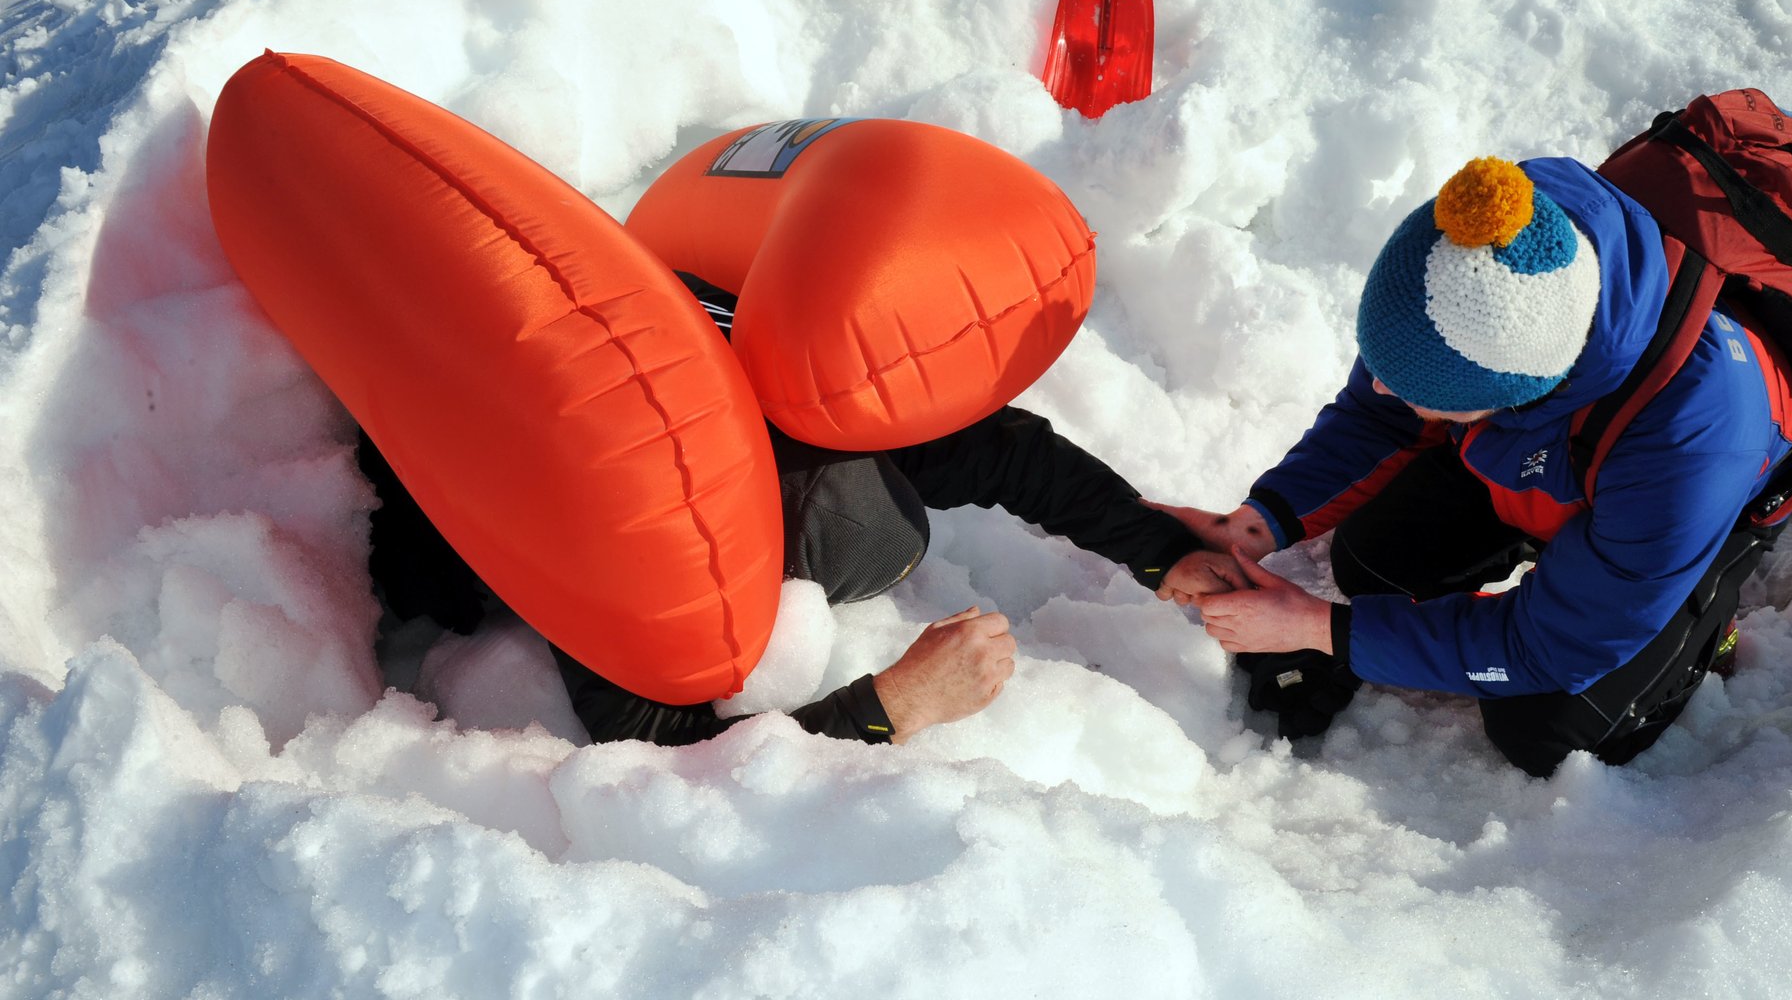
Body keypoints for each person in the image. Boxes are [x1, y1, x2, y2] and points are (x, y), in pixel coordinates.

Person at [363, 272, 1226, 747]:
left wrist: (1158, 547)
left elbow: (1001, 448)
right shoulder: (618, 534)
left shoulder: (741, 357)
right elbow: (656, 751)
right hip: (403, 488)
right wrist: (895, 703)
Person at [1158, 155, 1792, 776]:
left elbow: (1549, 648)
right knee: (1372, 565)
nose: (1379, 388)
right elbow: (1376, 415)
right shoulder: (1472, 271)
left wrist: (1315, 626)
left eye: (1413, 389)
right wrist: (1253, 525)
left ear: (1514, 391)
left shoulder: (1689, 436)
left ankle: (1707, 616)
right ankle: (1563, 547)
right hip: (1558, 449)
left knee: (1545, 728)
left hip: (1698, 502)